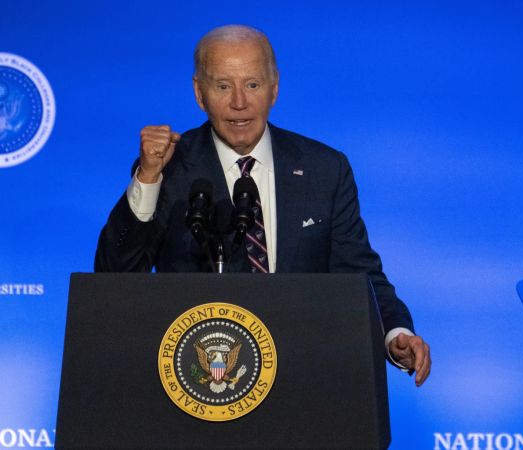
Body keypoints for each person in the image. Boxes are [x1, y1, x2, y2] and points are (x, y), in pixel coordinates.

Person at [94, 24, 431, 386]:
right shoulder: (169, 168)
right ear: (199, 93)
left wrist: (394, 334)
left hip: (303, 382)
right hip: (202, 387)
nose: (239, 102)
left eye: (252, 84)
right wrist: (147, 178)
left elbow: (358, 274)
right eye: (223, 86)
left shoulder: (324, 168)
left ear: (275, 87)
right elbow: (115, 277)